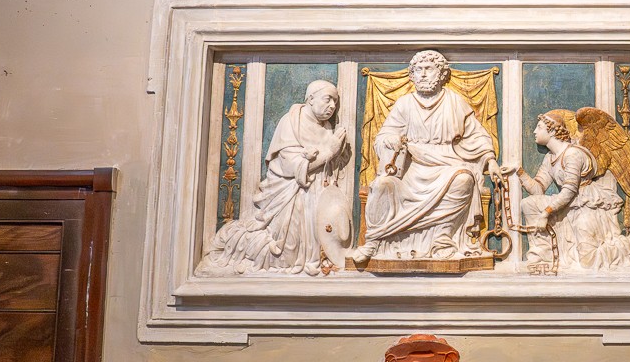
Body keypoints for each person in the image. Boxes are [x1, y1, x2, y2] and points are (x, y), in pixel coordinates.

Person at [351, 50, 505, 263]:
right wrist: (391, 140)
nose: (423, 74)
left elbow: (476, 134)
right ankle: (374, 241)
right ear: (412, 76)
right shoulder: (404, 104)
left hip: (447, 163)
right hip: (410, 168)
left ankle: (442, 237)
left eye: (428, 69)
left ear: (441, 74)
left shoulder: (454, 101)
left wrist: (490, 161)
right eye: (418, 70)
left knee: (464, 180)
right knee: (382, 185)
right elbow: (384, 135)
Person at [195, 79, 351, 276]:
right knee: (285, 253)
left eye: (335, 102)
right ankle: (237, 242)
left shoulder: (327, 127)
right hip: (288, 197)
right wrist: (328, 151)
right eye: (328, 100)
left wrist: (335, 152)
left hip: (317, 195)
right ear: (310, 99)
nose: (332, 106)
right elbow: (291, 165)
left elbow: (329, 165)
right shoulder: (291, 122)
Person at [514, 111, 630, 273]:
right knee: (529, 203)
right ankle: (543, 253)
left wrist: (546, 212)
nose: (534, 131)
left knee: (588, 260)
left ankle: (628, 245)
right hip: (567, 204)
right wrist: (519, 172)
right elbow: (538, 189)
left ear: (552, 131)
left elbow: (570, 190)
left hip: (586, 204)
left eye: (539, 127)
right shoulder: (550, 157)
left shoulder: (573, 154)